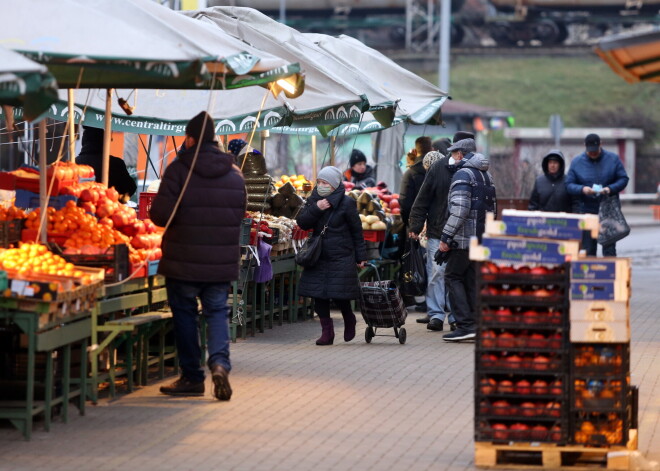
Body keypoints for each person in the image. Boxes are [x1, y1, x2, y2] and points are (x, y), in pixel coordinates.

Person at [150, 111, 246, 400]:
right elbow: (240, 215)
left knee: (185, 316)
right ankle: (219, 363)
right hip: (220, 261)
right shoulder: (234, 173)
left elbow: (159, 215)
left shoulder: (178, 169)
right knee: (217, 312)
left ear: (190, 139)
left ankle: (192, 377)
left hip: (183, 260)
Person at [408, 131, 475, 330]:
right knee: (437, 273)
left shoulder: (474, 168)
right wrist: (416, 225)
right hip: (438, 230)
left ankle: (455, 316)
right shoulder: (438, 168)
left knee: (455, 275)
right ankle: (436, 314)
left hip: (462, 233)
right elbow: (423, 198)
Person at [296, 166, 368, 346]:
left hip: (341, 255)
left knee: (339, 293)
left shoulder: (347, 203)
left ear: (334, 185)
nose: (321, 186)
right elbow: (302, 222)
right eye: (319, 182)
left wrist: (361, 256)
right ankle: (327, 332)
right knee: (318, 294)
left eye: (325, 183)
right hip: (318, 255)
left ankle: (349, 319)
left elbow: (356, 232)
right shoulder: (313, 200)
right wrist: (317, 208)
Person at [439, 138, 496, 342]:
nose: (452, 158)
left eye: (454, 154)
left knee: (452, 276)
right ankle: (475, 323)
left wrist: (446, 236)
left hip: (463, 239)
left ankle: (465, 325)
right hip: (480, 239)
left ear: (461, 155)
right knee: (471, 279)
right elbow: (493, 210)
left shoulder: (463, 174)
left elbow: (459, 210)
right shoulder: (486, 175)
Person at [565, 133, 629, 256]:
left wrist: (610, 189)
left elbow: (623, 179)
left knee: (609, 249)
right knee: (588, 248)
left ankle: (609, 273)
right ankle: (590, 273)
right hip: (587, 210)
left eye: (595, 151)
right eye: (590, 151)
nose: (593, 154)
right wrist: (582, 189)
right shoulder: (577, 162)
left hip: (608, 210)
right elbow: (568, 184)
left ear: (600, 144)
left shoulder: (613, 159)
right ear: (585, 146)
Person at [76, 126, 137, 202]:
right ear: (104, 142)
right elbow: (131, 187)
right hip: (111, 208)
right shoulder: (116, 163)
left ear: (83, 142)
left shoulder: (75, 164)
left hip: (80, 208)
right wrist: (119, 200)